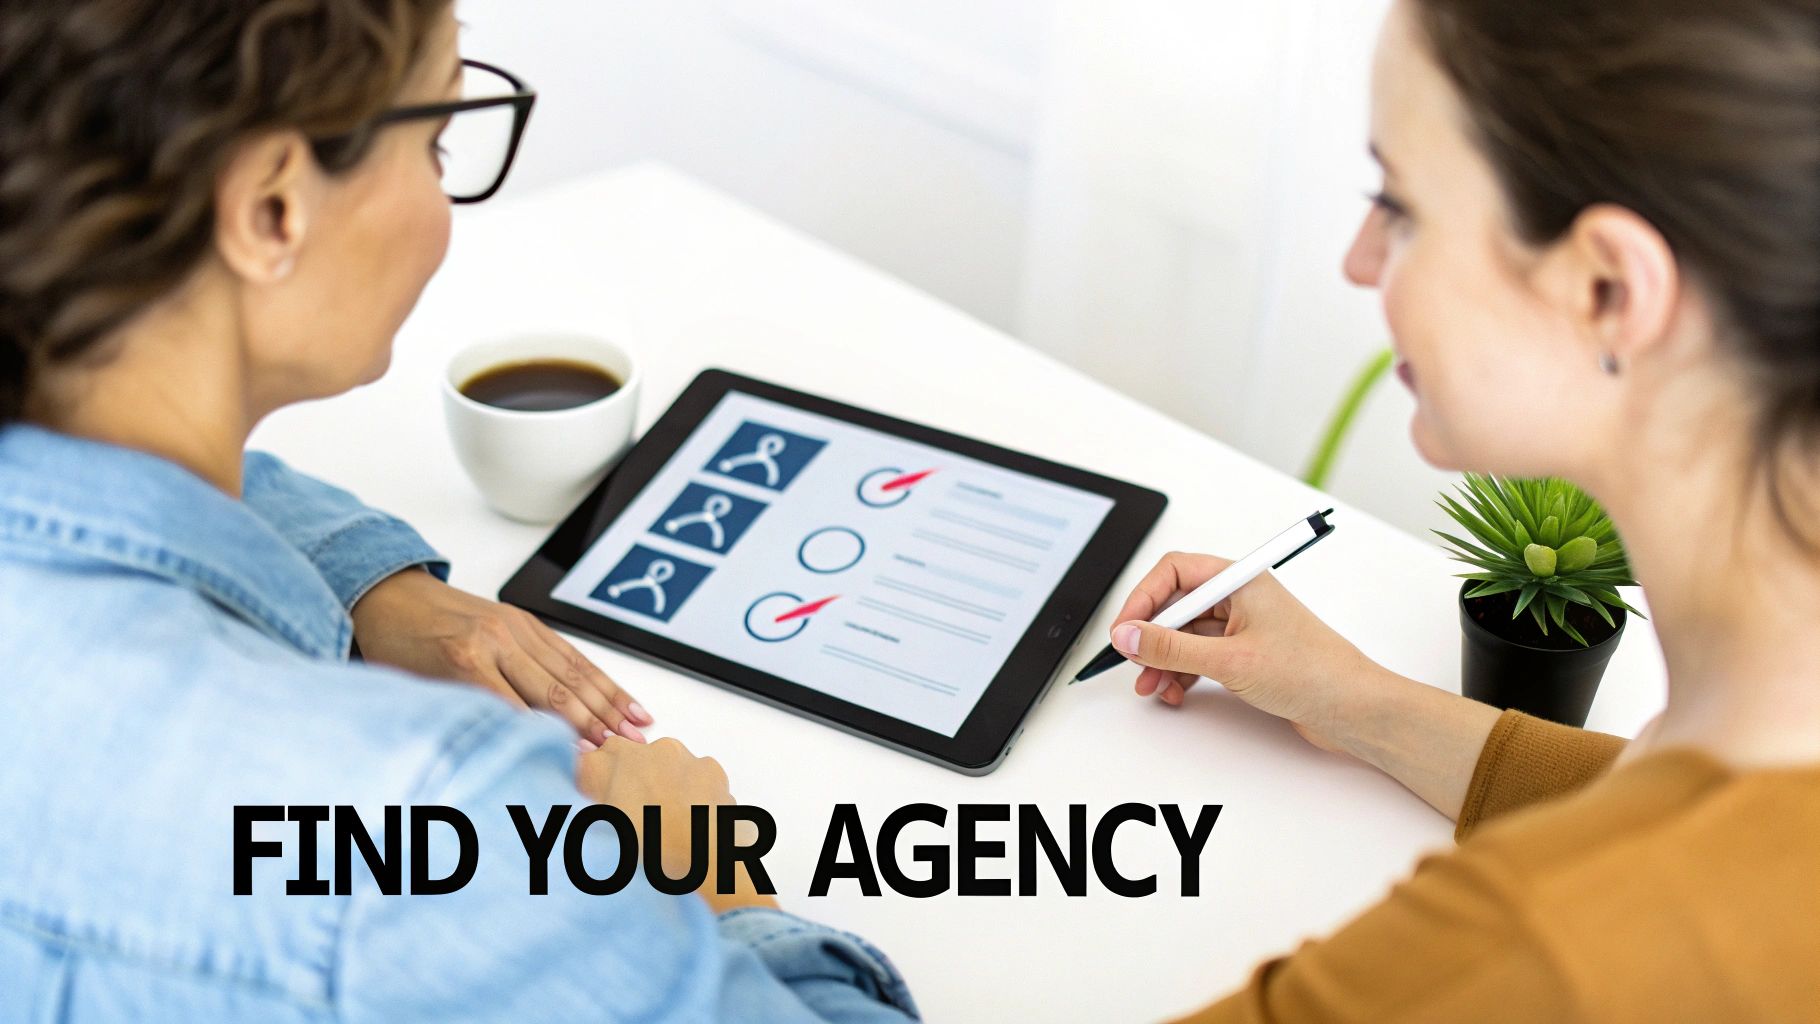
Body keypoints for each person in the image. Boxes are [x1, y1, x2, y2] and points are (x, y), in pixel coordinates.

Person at [0, 2, 918, 1020]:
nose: (445, 199)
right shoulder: (427, 826)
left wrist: (356, 580)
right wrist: (705, 877)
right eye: (435, 139)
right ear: (272, 211)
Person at [1106, 0, 1820, 1019]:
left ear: (1606, 290)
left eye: (1396, 204)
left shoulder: (1537, 951)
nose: (1359, 260)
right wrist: (1358, 702)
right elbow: (1708, 819)